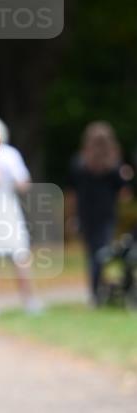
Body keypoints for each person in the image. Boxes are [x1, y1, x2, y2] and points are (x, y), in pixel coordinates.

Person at [67, 121, 133, 304]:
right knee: (102, 253)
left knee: (92, 254)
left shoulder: (79, 163)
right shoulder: (114, 166)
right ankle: (99, 292)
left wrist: (72, 216)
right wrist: (126, 176)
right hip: (106, 214)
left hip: (85, 215)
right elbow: (125, 195)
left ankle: (95, 292)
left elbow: (72, 193)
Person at [0, 117, 42, 313]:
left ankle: (27, 301)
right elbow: (24, 183)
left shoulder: (7, 155)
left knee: (18, 255)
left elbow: (23, 183)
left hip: (4, 209)